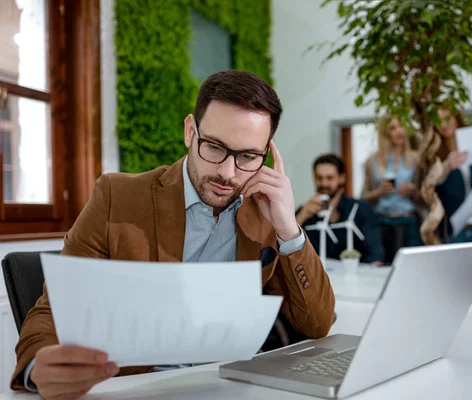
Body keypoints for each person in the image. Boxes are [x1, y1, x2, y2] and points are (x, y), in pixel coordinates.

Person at [11, 70, 335, 400]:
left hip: (226, 387)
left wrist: (288, 229)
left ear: (265, 154)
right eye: (214, 147)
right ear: (190, 131)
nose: (227, 172)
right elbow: (51, 312)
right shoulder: (117, 197)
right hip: (137, 388)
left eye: (247, 156)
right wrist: (37, 367)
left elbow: (318, 323)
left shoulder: (265, 213)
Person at [296, 154, 385, 265]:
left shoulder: (360, 209)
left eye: (330, 178)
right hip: (317, 277)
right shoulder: (305, 211)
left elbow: (376, 255)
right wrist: (303, 214)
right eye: (319, 178)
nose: (324, 184)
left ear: (342, 178)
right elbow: (285, 245)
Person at [362, 114, 422, 264]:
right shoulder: (372, 161)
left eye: (401, 126)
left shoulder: (416, 158)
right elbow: (363, 197)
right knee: (385, 269)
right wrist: (378, 192)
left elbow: (426, 196)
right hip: (382, 223)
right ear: (385, 132)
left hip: (409, 222)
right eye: (393, 128)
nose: (399, 131)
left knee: (412, 267)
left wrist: (413, 190)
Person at [434, 109, 472, 242]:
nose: (444, 124)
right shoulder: (436, 157)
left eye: (447, 118)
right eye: (439, 121)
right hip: (452, 229)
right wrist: (446, 167)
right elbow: (433, 189)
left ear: (456, 119)